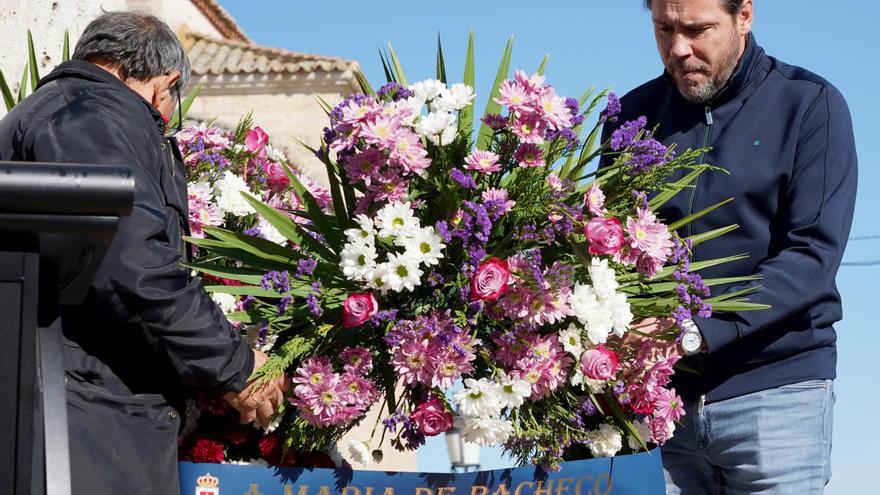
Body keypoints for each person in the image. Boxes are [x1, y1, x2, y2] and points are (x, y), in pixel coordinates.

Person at [0, 12, 286, 494]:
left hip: (70, 405)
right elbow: (135, 262)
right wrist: (234, 364)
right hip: (83, 417)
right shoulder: (91, 115)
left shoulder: (51, 111)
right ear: (166, 85)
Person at [602, 0, 858, 492]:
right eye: (663, 29)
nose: (678, 49)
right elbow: (607, 254)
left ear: (744, 16)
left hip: (777, 390)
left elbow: (811, 257)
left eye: (698, 30)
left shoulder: (810, 105)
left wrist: (692, 330)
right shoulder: (629, 118)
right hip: (655, 404)